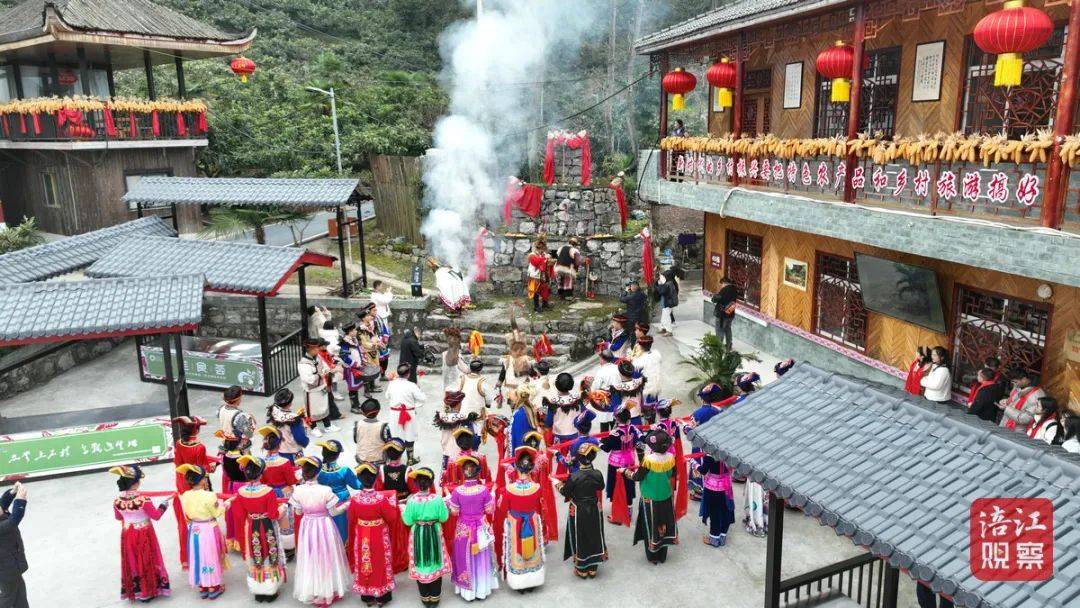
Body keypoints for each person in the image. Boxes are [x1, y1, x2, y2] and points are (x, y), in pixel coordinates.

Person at [290, 456, 351, 608]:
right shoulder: (325, 490)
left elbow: (298, 512)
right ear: (318, 473)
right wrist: (347, 505)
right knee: (327, 556)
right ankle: (328, 590)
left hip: (307, 526)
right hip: (324, 524)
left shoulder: (298, 490)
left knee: (310, 556)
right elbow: (334, 512)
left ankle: (314, 590)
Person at [110, 464, 171, 602]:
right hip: (144, 533)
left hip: (127, 533)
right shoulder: (143, 500)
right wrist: (163, 505)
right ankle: (148, 590)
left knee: (132, 559)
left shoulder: (117, 501)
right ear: (136, 483)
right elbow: (156, 516)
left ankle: (137, 590)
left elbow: (118, 517)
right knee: (146, 559)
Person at [231, 455, 287, 602]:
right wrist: (283, 508)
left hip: (251, 526)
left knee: (255, 553)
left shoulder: (241, 491)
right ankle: (271, 590)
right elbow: (274, 515)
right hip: (267, 526)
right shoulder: (268, 491)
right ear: (261, 474)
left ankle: (258, 590)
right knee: (270, 552)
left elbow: (239, 514)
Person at [346, 463, 399, 607]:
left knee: (365, 563)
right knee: (380, 563)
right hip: (378, 535)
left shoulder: (355, 500)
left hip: (362, 534)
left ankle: (368, 597)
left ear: (359, 479)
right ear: (376, 479)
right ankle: (382, 597)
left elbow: (351, 519)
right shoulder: (381, 499)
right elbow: (392, 518)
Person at [623, 429, 679, 564]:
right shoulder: (671, 458)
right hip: (665, 495)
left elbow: (637, 476)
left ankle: (653, 556)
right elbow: (672, 474)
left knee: (651, 524)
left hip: (650, 498)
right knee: (664, 524)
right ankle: (662, 555)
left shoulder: (648, 460)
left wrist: (625, 471)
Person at [447, 455, 499, 601]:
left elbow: (454, 512)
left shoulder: (457, 491)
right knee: (481, 557)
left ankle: (468, 592)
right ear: (477, 472)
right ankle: (482, 590)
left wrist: (448, 501)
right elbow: (489, 510)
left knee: (464, 557)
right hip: (480, 528)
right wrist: (493, 495)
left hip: (464, 529)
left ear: (463, 472)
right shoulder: (483, 490)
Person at [495, 447, 546, 593]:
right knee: (533, 548)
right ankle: (533, 580)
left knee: (517, 549)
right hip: (531, 521)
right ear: (531, 468)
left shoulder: (508, 489)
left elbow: (502, 508)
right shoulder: (537, 487)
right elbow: (539, 505)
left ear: (516, 467)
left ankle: (519, 583)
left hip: (515, 522)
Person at [176, 464, 229, 600]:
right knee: (210, 555)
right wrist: (226, 504)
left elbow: (186, 514)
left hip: (194, 528)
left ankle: (202, 586)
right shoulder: (209, 495)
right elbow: (217, 512)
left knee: (197, 555)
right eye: (204, 477)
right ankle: (213, 587)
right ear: (201, 480)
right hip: (208, 528)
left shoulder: (185, 495)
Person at [401, 468, 452, 607]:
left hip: (418, 533)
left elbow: (407, 521)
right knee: (435, 559)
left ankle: (425, 598)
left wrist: (404, 510)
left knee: (421, 560)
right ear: (430, 483)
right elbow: (444, 517)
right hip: (434, 532)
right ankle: (435, 598)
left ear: (416, 484)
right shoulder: (437, 499)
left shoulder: (411, 501)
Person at [171, 415, 216, 570]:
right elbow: (202, 469)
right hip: (197, 484)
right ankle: (206, 555)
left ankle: (187, 558)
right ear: (196, 430)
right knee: (205, 519)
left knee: (185, 523)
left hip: (183, 485)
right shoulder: (199, 447)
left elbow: (178, 465)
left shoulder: (179, 443)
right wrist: (212, 466)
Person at [557, 442, 607, 579]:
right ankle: (593, 568)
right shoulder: (597, 473)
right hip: (594, 507)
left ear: (579, 459)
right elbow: (601, 487)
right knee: (594, 533)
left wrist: (557, 484)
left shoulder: (574, 476)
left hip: (579, 509)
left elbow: (565, 492)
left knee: (580, 535)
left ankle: (582, 569)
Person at [257, 426, 299, 558]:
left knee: (271, 519)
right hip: (284, 492)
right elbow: (291, 480)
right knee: (286, 520)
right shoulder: (284, 462)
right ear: (279, 444)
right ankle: (288, 548)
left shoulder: (262, 462)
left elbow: (262, 480)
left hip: (269, 492)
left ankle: (272, 544)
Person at [601, 407, 641, 521]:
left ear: (617, 419)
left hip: (616, 463)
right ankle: (628, 510)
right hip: (630, 461)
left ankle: (617, 514)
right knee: (628, 485)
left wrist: (599, 444)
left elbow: (606, 448)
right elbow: (639, 440)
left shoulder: (614, 434)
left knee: (616, 486)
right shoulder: (633, 429)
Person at [316, 440, 361, 540]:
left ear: (323, 453)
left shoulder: (317, 471)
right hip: (342, 503)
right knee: (343, 529)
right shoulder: (344, 470)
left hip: (324, 503)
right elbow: (358, 485)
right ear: (338, 456)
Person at [386, 363, 428, 463]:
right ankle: (410, 459)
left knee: (395, 435)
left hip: (394, 414)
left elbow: (387, 396)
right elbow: (422, 398)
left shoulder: (392, 384)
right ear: (408, 374)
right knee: (410, 435)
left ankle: (395, 459)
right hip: (409, 414)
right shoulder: (411, 385)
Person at [299, 339, 340, 437]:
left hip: (322, 386)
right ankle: (313, 428)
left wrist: (328, 371)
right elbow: (308, 379)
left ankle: (328, 426)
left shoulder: (318, 357)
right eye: (317, 348)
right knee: (312, 410)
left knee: (324, 407)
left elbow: (325, 367)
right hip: (311, 391)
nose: (319, 349)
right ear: (311, 349)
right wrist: (321, 375)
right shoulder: (303, 363)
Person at [215, 430, 247, 552]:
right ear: (238, 443)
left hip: (231, 486)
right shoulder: (242, 458)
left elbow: (226, 473)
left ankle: (234, 539)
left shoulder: (224, 457)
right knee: (241, 514)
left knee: (232, 514)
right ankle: (242, 540)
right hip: (242, 487)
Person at [696, 455, 735, 548]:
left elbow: (703, 470)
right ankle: (722, 537)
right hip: (726, 486)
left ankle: (714, 539)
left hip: (713, 488)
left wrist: (695, 464)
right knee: (725, 511)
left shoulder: (710, 454)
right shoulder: (730, 452)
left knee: (715, 513)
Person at [0, 483, 28, 608]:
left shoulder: (1, 513)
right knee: (7, 598)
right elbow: (14, 519)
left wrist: (13, 492)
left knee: (20, 597)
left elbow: (3, 502)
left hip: (13, 567)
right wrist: (20, 500)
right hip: (6, 571)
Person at [265, 388, 309, 462]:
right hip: (294, 453)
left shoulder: (274, 413)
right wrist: (306, 441)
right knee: (296, 468)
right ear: (290, 403)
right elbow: (299, 437)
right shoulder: (293, 418)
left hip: (279, 451)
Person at [434, 391, 473, 468]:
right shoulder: (462, 417)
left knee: (446, 473)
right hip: (458, 453)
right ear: (458, 404)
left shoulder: (442, 416)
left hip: (446, 452)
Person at [354, 398, 392, 466]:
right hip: (378, 461)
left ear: (363, 413)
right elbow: (389, 443)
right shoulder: (384, 426)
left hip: (361, 459)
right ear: (378, 411)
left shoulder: (357, 424)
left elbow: (355, 440)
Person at [218, 385, 255, 450]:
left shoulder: (221, 409)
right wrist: (250, 420)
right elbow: (249, 434)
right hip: (237, 447)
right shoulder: (239, 416)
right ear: (238, 399)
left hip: (224, 443)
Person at [632, 335, 662, 418]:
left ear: (640, 346)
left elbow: (635, 377)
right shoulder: (655, 356)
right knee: (653, 406)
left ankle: (648, 422)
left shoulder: (639, 362)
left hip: (645, 389)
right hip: (655, 386)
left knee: (647, 411)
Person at [590, 350, 620, 432]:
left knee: (604, 424)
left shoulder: (601, 371)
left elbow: (594, 388)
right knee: (616, 422)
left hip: (605, 399)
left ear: (603, 359)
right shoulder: (617, 367)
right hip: (617, 398)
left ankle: (605, 438)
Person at [339, 323, 366, 411]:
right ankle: (354, 407)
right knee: (352, 388)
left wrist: (362, 360)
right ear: (350, 332)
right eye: (354, 330)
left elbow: (358, 351)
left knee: (356, 387)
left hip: (357, 366)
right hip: (350, 368)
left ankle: (357, 404)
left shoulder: (354, 339)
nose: (356, 331)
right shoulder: (345, 342)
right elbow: (344, 356)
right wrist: (354, 364)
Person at [608, 361, 646, 425]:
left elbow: (615, 408)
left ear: (620, 373)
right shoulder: (639, 382)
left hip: (625, 422)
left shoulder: (617, 388)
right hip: (638, 419)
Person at [497, 341, 532, 407]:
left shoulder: (526, 360)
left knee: (521, 404)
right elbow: (503, 371)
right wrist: (500, 381)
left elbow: (532, 372)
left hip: (521, 387)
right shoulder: (507, 359)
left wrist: (522, 373)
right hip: (512, 387)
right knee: (514, 404)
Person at [710, 277, 739, 350]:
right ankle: (729, 345)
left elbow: (716, 299)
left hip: (722, 315)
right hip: (730, 313)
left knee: (720, 330)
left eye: (722, 284)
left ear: (724, 283)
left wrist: (713, 296)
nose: (721, 286)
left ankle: (719, 346)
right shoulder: (735, 290)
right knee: (728, 329)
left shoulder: (724, 290)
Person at [526, 239, 553, 313]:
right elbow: (537, 263)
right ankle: (536, 306)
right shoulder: (532, 255)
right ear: (538, 248)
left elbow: (545, 262)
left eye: (543, 249)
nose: (543, 251)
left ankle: (545, 304)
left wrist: (549, 259)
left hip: (542, 276)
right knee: (536, 291)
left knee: (545, 290)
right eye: (542, 249)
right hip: (534, 276)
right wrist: (545, 258)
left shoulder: (542, 254)